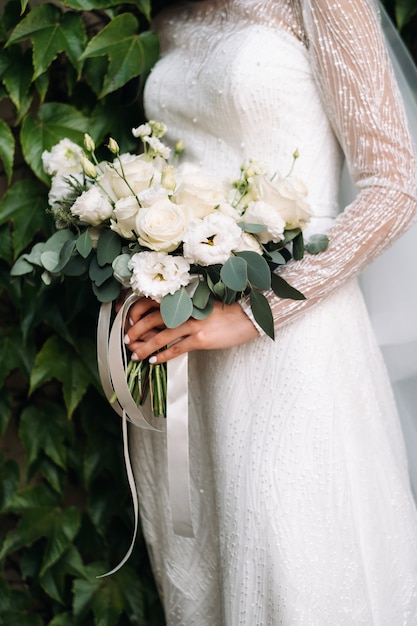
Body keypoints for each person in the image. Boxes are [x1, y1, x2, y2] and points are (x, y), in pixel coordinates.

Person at [123, 0, 417, 623]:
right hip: (189, 355)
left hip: (294, 343)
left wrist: (254, 314)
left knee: (295, 579)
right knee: (206, 582)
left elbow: (395, 182)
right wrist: (148, 270)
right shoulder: (171, 13)